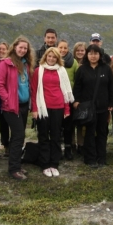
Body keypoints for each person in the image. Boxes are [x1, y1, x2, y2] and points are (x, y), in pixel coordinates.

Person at [0, 36, 34, 180]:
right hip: (11, 106)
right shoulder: (6, 63)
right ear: (14, 47)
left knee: (18, 136)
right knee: (19, 136)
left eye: (25, 48)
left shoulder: (26, 64)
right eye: (20, 47)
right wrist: (7, 99)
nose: (23, 50)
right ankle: (14, 169)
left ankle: (15, 164)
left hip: (23, 105)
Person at [31, 47, 74, 177]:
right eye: (49, 56)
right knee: (43, 136)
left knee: (56, 136)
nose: (51, 59)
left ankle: (54, 163)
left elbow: (65, 92)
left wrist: (67, 109)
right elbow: (34, 91)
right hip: (43, 107)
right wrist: (34, 109)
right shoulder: (38, 71)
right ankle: (45, 164)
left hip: (58, 107)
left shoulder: (61, 71)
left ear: (57, 58)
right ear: (45, 57)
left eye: (54, 57)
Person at [73, 44, 113, 168]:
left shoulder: (106, 69)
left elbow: (111, 87)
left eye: (95, 53)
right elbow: (77, 87)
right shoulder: (82, 69)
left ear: (100, 55)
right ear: (87, 55)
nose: (93, 56)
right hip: (88, 108)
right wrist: (76, 101)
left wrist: (111, 103)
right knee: (89, 133)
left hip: (103, 107)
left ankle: (101, 158)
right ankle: (90, 158)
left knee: (102, 132)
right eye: (90, 53)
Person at [57, 40, 79, 160]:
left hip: (69, 99)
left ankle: (68, 149)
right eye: (61, 47)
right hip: (56, 99)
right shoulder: (53, 60)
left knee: (68, 126)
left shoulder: (74, 62)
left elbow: (77, 80)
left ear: (68, 49)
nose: (63, 50)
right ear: (57, 48)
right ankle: (58, 149)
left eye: (65, 48)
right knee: (57, 126)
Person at [0, 42, 10, 156]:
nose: (0, 51)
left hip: (7, 97)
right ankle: (4, 144)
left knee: (7, 122)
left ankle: (10, 146)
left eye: (3, 49)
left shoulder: (10, 62)